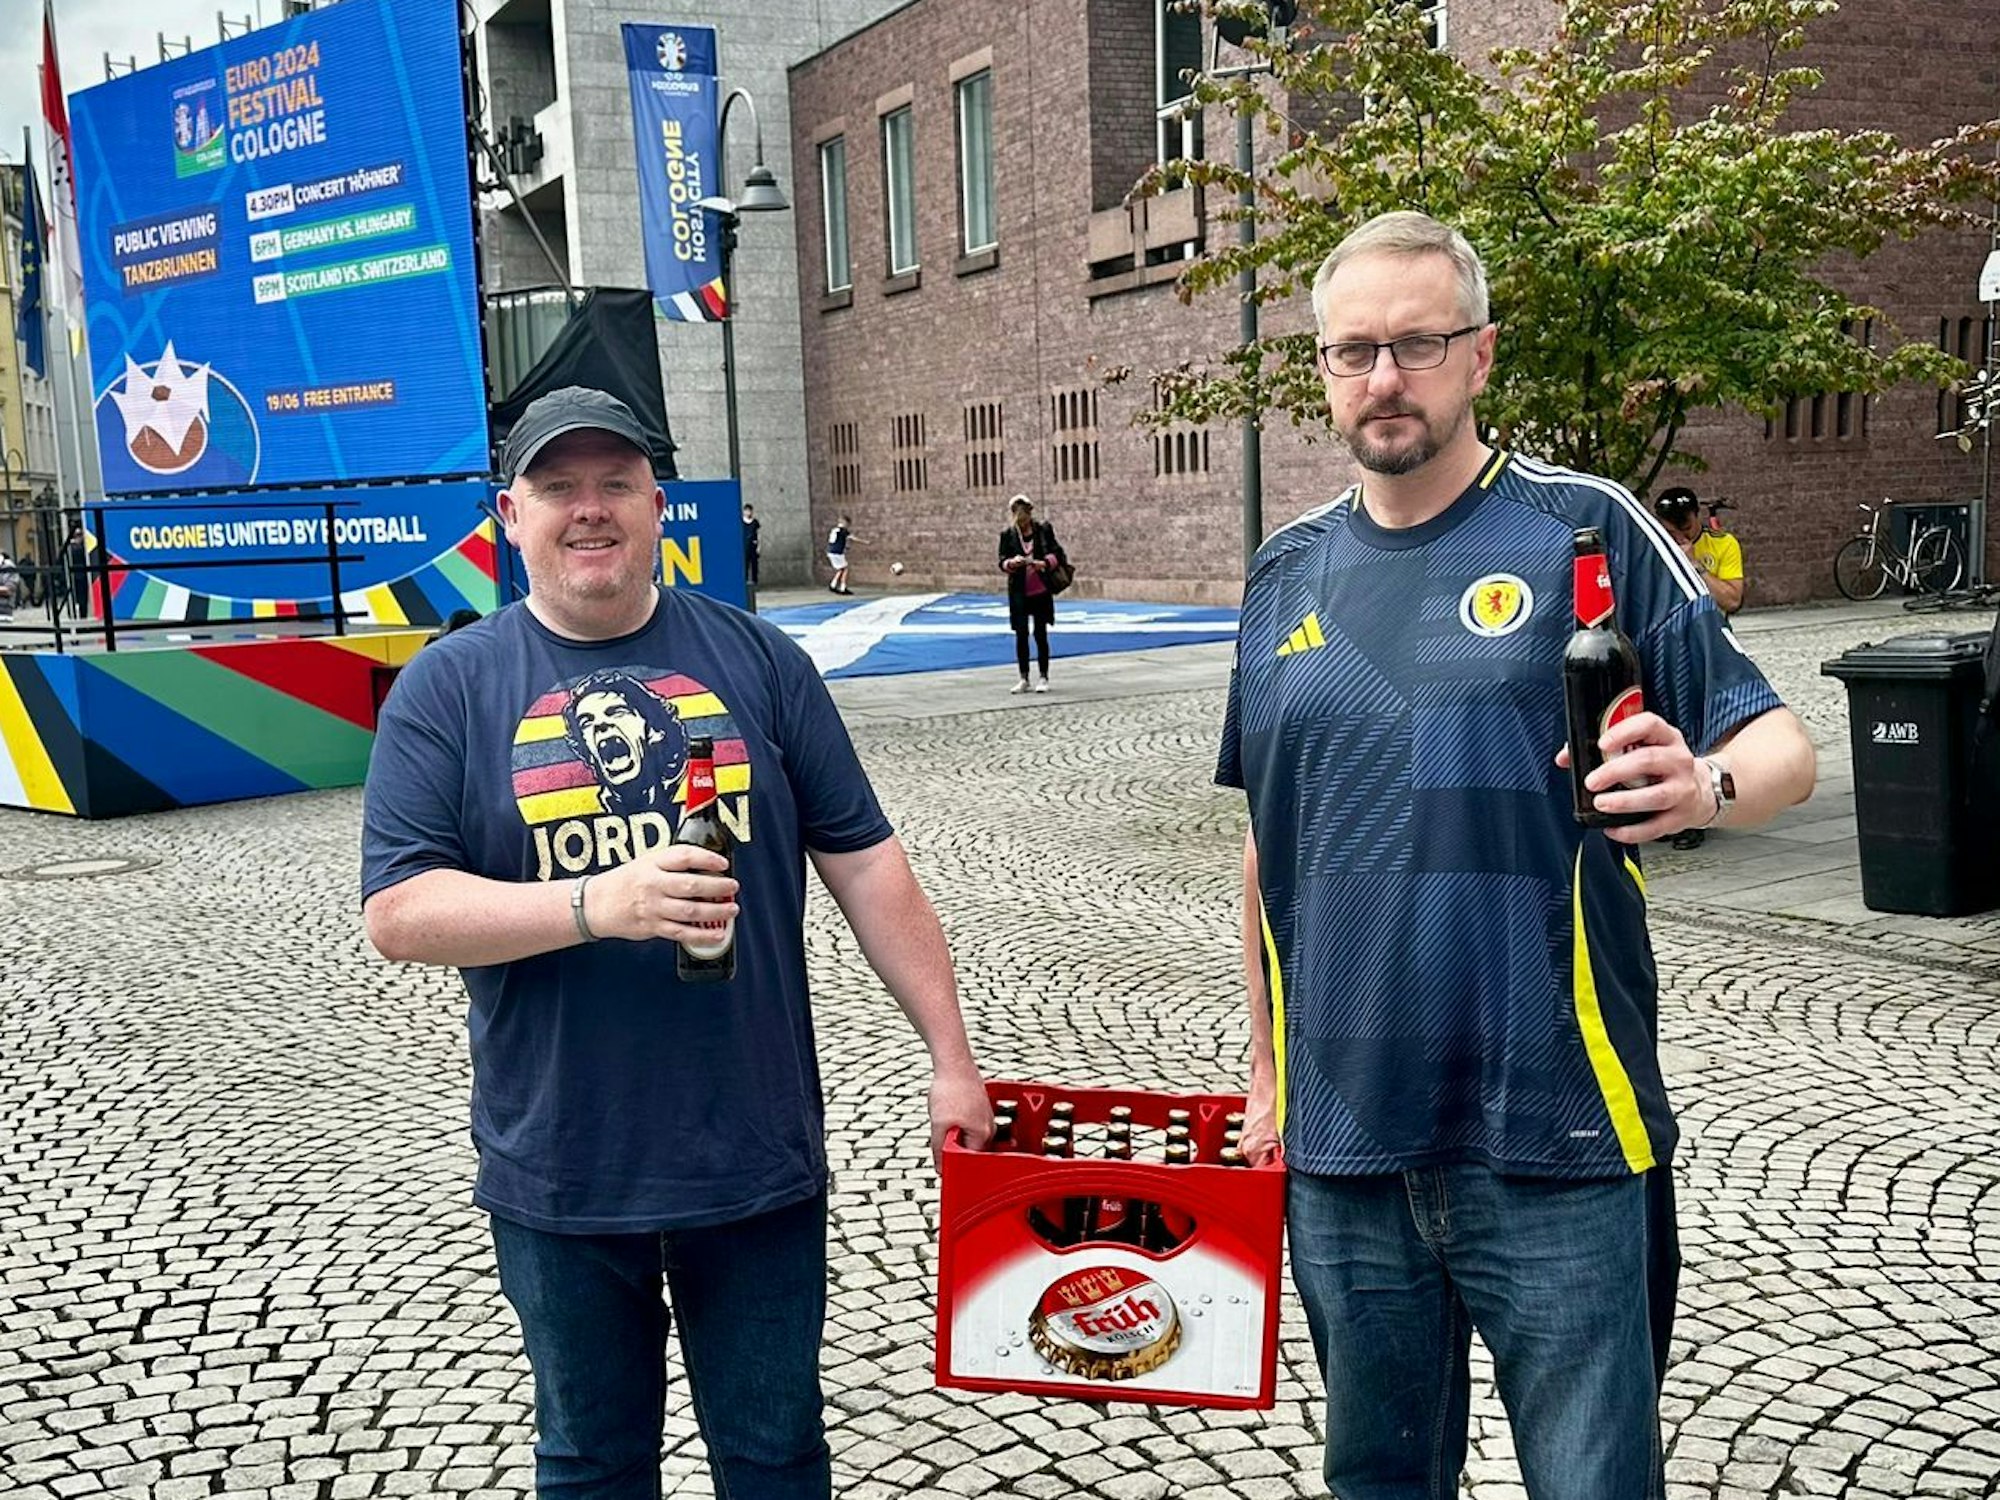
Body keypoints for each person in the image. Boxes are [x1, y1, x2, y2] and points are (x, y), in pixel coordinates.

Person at [1217, 212, 1815, 1500]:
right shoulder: (1281, 573)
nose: (1383, 378)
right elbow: (1272, 844)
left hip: (1556, 1127)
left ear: (1479, 356)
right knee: (1376, 1483)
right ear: (1320, 370)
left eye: (1417, 344)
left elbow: (1781, 749)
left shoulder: (1577, 531)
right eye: (1352, 351)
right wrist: (1265, 1071)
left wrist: (1703, 784)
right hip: (1341, 1138)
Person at [361, 386, 992, 1500]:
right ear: (511, 513)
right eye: (559, 488)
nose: (588, 510)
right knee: (593, 1466)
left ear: (660, 504)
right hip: (559, 1166)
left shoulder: (759, 661)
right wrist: (593, 906)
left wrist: (950, 1056)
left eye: (615, 484)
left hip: (748, 1156)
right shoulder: (447, 690)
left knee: (774, 1458)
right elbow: (399, 913)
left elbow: (866, 864)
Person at [998, 494, 1066, 695]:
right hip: (1019, 591)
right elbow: (1001, 560)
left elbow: (1058, 554)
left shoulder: (1043, 530)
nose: (1022, 519)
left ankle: (1043, 676)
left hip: (1040, 590)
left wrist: (1043, 563)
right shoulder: (1008, 535)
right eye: (1018, 515)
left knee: (1040, 633)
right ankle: (1023, 678)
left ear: (1029, 512)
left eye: (1024, 514)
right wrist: (1011, 563)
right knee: (1021, 635)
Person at [1653, 486, 1745, 617]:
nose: (1680, 537)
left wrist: (1695, 566)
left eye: (1686, 528)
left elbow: (1732, 601)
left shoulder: (1723, 543)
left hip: (1710, 626)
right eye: (1671, 532)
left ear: (1697, 516)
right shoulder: (1653, 547)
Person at [825, 514, 854, 594]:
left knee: (841, 569)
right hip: (837, 552)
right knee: (845, 568)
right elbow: (852, 537)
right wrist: (866, 542)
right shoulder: (843, 530)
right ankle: (842, 588)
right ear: (845, 523)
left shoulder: (835, 530)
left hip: (830, 551)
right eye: (848, 524)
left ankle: (833, 585)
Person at [742, 502, 762, 590]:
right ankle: (745, 583)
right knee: (745, 565)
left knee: (754, 566)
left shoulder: (755, 522)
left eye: (749, 511)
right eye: (746, 511)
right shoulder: (740, 522)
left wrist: (759, 547)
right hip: (745, 546)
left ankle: (755, 583)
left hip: (753, 546)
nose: (748, 513)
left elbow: (759, 535)